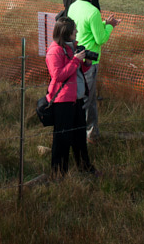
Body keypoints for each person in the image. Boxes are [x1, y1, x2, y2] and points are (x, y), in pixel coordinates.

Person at [67, 0, 120, 141]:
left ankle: (78, 130)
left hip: (76, 57)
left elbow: (84, 28)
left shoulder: (73, 7)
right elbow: (100, 38)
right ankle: (88, 134)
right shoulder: (94, 11)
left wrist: (103, 23)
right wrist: (110, 26)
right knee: (88, 100)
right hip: (91, 60)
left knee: (79, 96)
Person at [45, 16, 94, 175]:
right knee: (62, 140)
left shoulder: (72, 47)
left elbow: (78, 72)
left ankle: (85, 169)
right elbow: (58, 76)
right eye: (74, 30)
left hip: (77, 99)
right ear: (67, 33)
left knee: (80, 139)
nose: (77, 32)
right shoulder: (55, 51)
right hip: (63, 102)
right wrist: (75, 60)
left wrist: (85, 62)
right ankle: (58, 173)